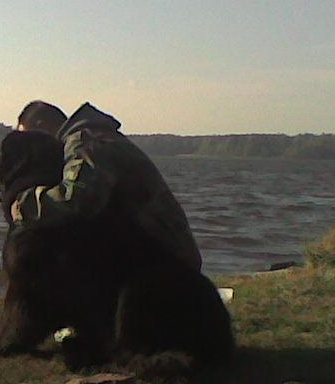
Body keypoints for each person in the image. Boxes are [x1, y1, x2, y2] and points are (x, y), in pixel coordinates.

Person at [10, 100, 202, 272]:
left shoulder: (86, 142)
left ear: (41, 127)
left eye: (27, 139)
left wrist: (21, 204)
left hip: (166, 265)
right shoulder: (96, 136)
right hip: (165, 255)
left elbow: (75, 200)